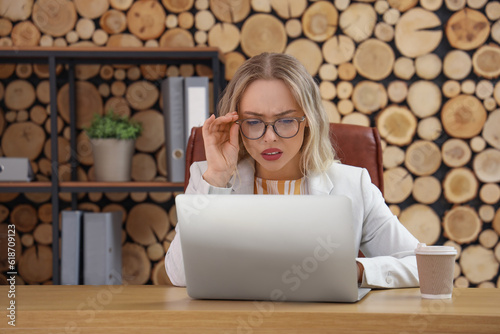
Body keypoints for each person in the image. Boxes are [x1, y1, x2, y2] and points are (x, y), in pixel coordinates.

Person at [165, 52, 419, 289]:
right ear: (235, 123)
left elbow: (420, 264)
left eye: (285, 120)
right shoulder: (208, 179)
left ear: (308, 119)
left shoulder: (354, 185)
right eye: (253, 122)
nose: (270, 138)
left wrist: (357, 270)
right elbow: (179, 275)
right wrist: (218, 176)